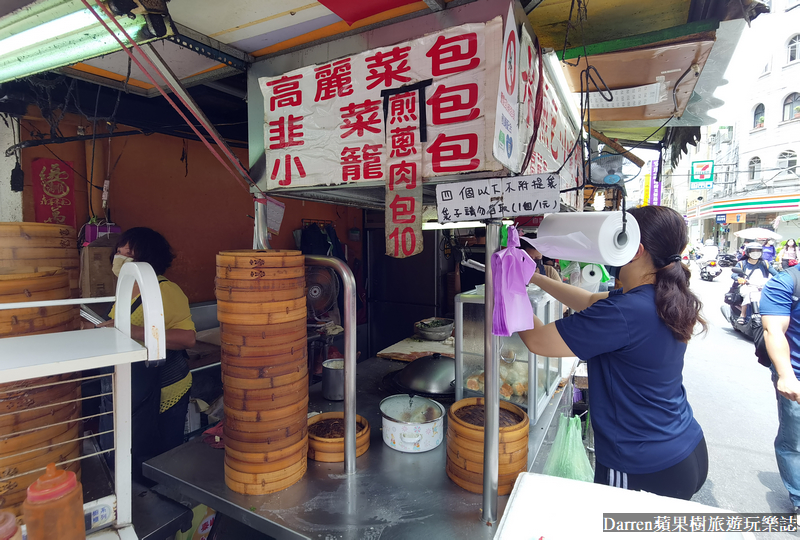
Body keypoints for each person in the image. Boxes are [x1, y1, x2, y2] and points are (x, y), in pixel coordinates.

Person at [517, 206, 708, 500]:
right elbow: (590, 300)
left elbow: (538, 341)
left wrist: (508, 290)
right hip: (685, 444)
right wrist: (534, 277)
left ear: (635, 250)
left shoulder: (626, 312)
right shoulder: (660, 294)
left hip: (642, 463)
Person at [96, 227, 196, 482]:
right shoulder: (126, 288)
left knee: (160, 455)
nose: (121, 253)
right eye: (120, 248)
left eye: (130, 249)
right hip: (134, 386)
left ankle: (165, 498)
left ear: (149, 256)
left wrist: (132, 330)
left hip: (166, 385)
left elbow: (187, 338)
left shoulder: (165, 290)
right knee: (134, 450)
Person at [760, 264, 800, 515]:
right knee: (794, 440)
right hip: (796, 373)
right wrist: (786, 375)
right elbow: (773, 330)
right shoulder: (786, 282)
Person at [732, 242, 771, 325]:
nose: (755, 253)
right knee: (749, 294)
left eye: (758, 251)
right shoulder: (742, 263)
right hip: (747, 286)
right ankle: (743, 315)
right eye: (753, 250)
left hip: (762, 287)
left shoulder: (765, 263)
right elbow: (734, 274)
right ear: (748, 252)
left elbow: (776, 275)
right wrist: (739, 279)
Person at [455, 228, 486, 293]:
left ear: (474, 236)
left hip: (467, 297)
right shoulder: (493, 255)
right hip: (488, 298)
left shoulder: (465, 253)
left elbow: (457, 287)